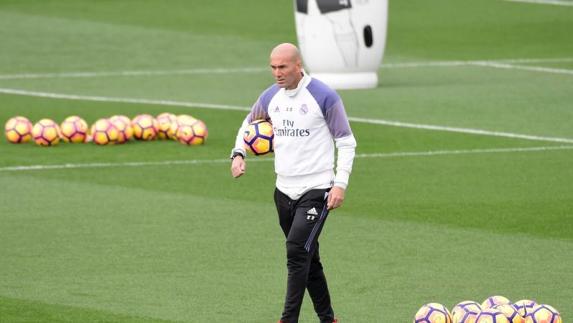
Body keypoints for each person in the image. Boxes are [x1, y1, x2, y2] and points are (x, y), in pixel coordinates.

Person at [230, 43, 356, 323]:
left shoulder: (323, 96)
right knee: (309, 260)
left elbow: (346, 141)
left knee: (296, 252)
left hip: (317, 190)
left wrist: (340, 184)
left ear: (298, 65)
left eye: (283, 67)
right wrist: (238, 153)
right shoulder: (271, 96)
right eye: (273, 67)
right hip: (283, 192)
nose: (277, 73)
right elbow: (247, 124)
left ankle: (288, 320)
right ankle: (328, 319)